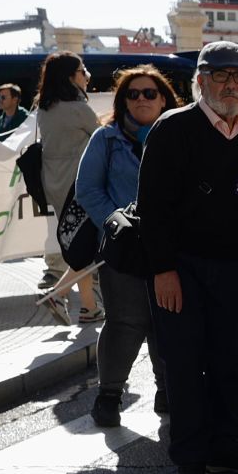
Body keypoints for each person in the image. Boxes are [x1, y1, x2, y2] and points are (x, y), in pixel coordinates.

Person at [137, 42, 238, 474]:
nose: (233, 85)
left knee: (227, 362)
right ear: (200, 81)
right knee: (183, 364)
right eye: (221, 75)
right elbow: (153, 209)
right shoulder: (173, 129)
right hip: (180, 269)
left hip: (234, 268)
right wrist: (163, 271)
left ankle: (224, 446)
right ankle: (190, 459)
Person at [75, 65, 178, 427]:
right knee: (125, 322)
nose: (141, 99)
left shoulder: (180, 136)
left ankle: (167, 391)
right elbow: (87, 189)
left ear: (164, 98)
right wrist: (117, 223)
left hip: (171, 246)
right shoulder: (106, 139)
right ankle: (109, 396)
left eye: (149, 93)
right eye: (132, 94)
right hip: (124, 248)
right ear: (122, 102)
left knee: (168, 321)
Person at [34, 51, 102, 318]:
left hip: (53, 183)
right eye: (83, 71)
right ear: (71, 76)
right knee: (87, 246)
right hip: (80, 185)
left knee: (78, 245)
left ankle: (89, 307)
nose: (87, 77)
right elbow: (102, 137)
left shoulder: (44, 107)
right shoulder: (78, 109)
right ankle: (57, 295)